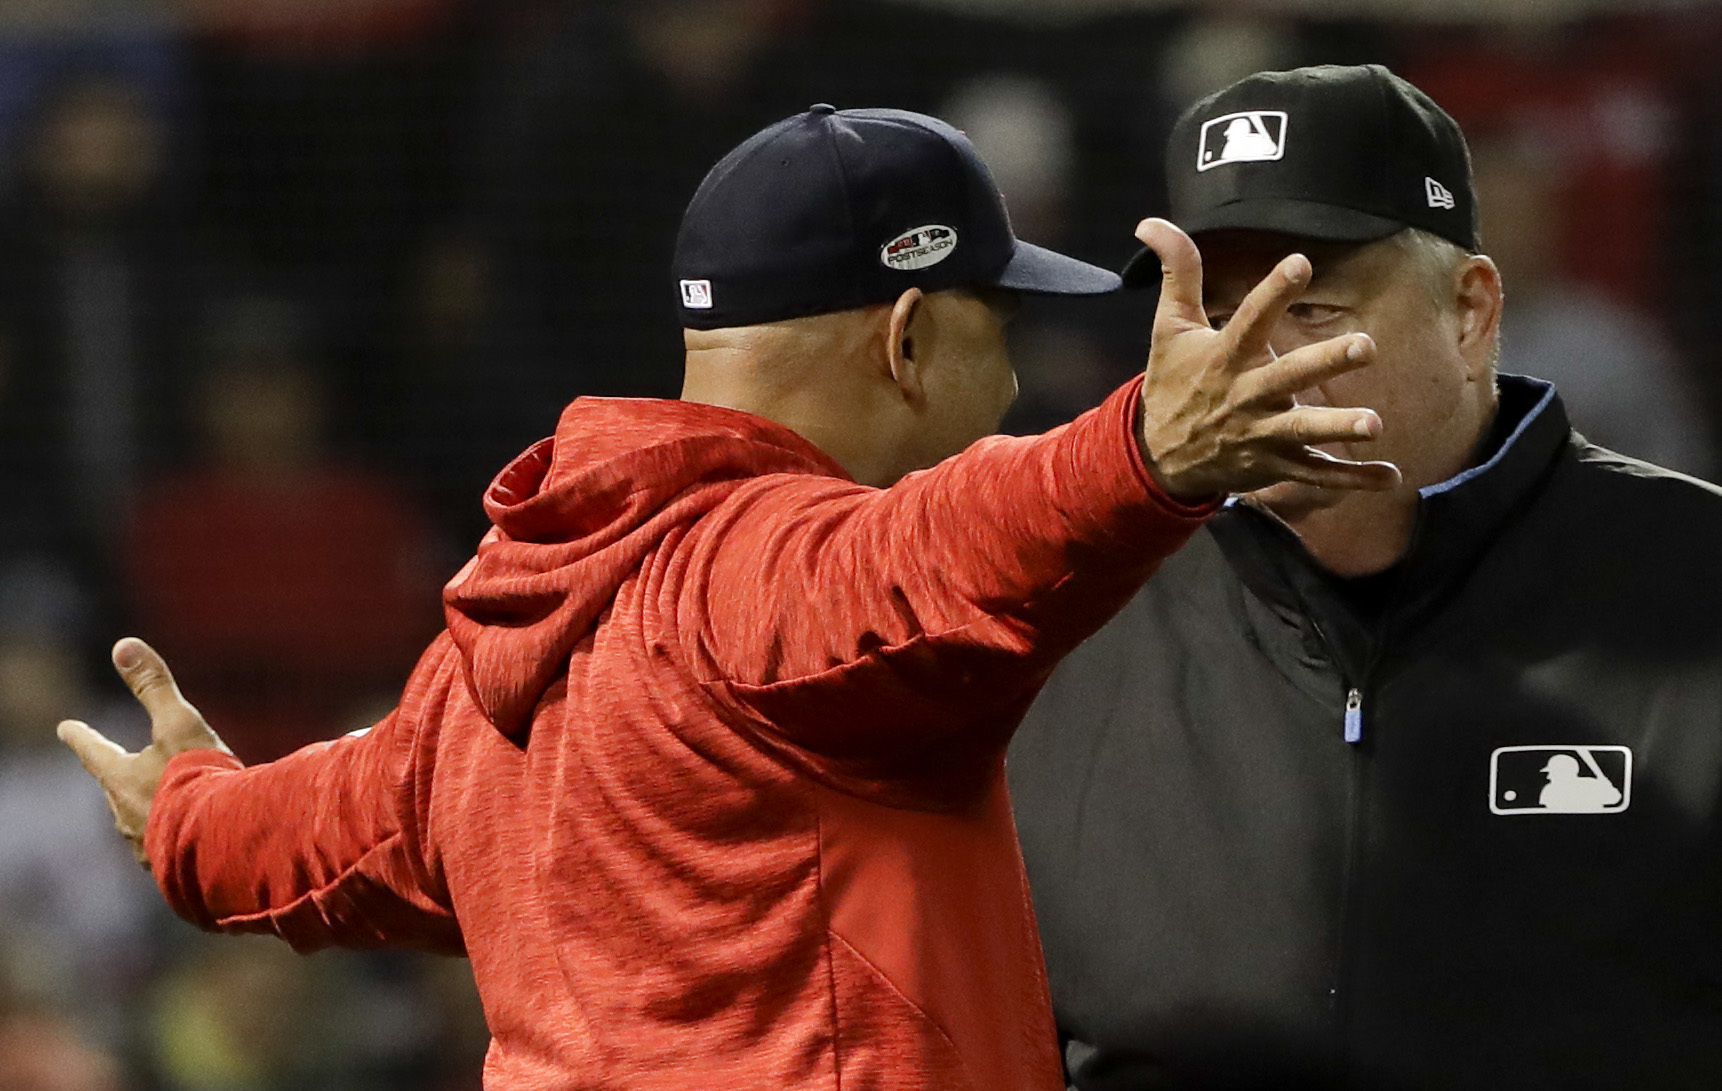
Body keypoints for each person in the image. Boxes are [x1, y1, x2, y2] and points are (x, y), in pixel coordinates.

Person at [59, 105, 1393, 1090]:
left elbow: (316, 829)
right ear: (909, 336)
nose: (1018, 371)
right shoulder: (764, 574)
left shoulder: (492, 657)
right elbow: (937, 557)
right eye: (999, 320)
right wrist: (1142, 450)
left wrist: (186, 813)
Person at [1007, 64, 1722, 1090]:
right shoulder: (1068, 617)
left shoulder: (1692, 581)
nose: (1252, 363)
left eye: (1309, 307)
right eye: (1213, 314)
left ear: (1471, 313)